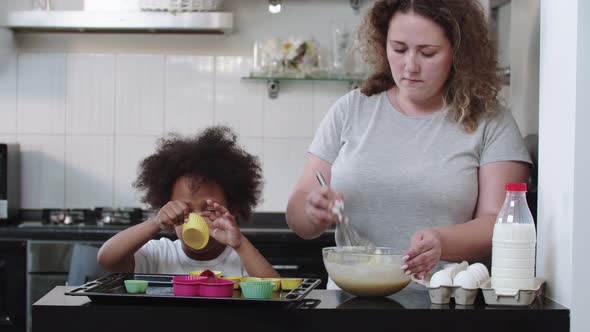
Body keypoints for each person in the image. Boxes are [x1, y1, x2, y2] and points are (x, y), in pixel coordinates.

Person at [286, 0, 531, 281]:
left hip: (445, 307)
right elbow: (298, 213)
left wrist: (443, 241)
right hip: (350, 306)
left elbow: (500, 224)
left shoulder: (491, 122)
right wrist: (311, 210)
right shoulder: (350, 109)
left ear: (458, 52)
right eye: (399, 49)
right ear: (383, 44)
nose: (410, 66)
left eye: (428, 53)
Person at [97, 126, 279, 278]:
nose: (197, 218)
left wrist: (240, 244)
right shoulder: (160, 253)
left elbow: (276, 291)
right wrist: (156, 222)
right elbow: (107, 259)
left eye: (209, 209)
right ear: (166, 205)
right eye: (184, 208)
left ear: (232, 209)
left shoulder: (242, 258)